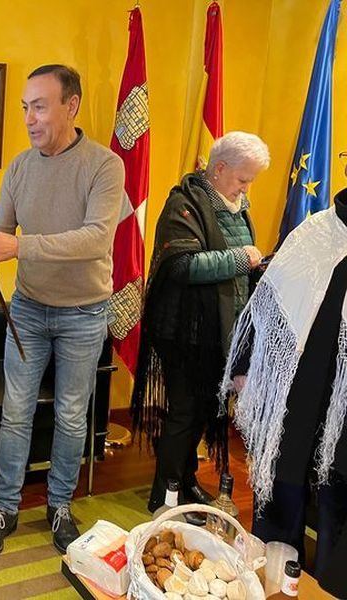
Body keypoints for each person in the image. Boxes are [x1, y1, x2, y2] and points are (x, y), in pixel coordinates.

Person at [0, 64, 124, 559]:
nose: (29, 118)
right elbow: (0, 227)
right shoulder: (21, 166)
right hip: (27, 311)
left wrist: (19, 247)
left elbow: (96, 238)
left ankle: (59, 507)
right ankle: (3, 509)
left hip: (83, 313)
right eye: (25, 107)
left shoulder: (104, 165)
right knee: (15, 414)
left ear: (70, 106)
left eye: (40, 106)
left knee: (72, 417)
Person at [131, 132, 270, 521]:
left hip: (222, 333)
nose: (246, 187)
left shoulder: (237, 205)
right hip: (185, 333)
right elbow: (182, 266)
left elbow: (237, 269)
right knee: (184, 413)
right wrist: (243, 259)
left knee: (205, 411)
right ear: (220, 168)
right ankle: (164, 495)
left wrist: (259, 265)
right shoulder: (184, 204)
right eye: (243, 178)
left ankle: (186, 479)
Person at [222, 170, 347, 596]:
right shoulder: (314, 235)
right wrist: (244, 368)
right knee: (280, 499)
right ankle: (272, 585)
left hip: (344, 420)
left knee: (338, 515)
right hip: (297, 400)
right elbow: (267, 305)